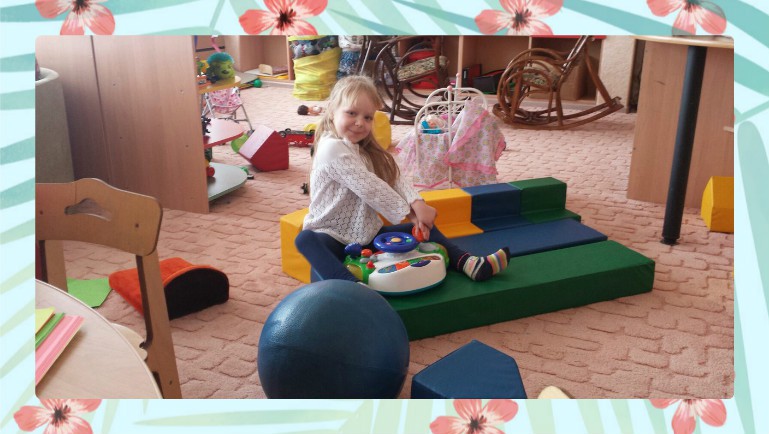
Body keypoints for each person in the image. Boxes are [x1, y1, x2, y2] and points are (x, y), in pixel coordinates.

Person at [295, 75, 511, 284]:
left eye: (368, 117)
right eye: (352, 113)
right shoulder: (331, 147)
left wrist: (417, 204)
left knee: (419, 230)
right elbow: (370, 188)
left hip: (365, 234)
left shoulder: (362, 148)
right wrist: (410, 212)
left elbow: (394, 177)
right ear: (332, 111)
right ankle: (352, 287)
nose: (360, 123)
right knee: (305, 239)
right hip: (331, 235)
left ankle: (468, 262)